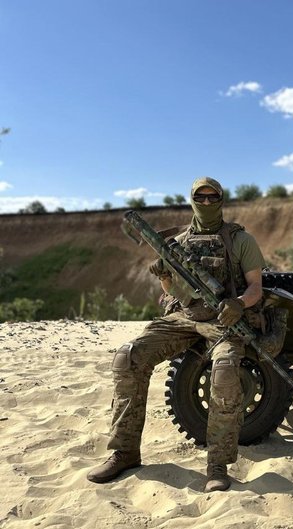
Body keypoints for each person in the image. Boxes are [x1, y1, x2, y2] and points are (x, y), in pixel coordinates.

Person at [88, 177, 272, 492]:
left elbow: (256, 287)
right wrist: (164, 276)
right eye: (200, 198)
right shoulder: (179, 243)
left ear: (221, 200)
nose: (206, 203)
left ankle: (217, 465)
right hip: (185, 317)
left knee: (225, 373)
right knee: (128, 357)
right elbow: (174, 291)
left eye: (212, 197)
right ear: (192, 200)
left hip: (224, 320)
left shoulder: (240, 240)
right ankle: (125, 451)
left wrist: (239, 303)